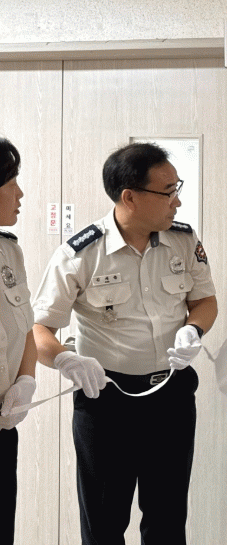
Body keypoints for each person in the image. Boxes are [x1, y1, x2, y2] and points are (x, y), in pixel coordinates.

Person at [32, 142, 217, 545]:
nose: (177, 201)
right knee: (104, 521)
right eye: (167, 191)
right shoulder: (80, 254)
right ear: (129, 197)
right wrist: (65, 360)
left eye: (177, 188)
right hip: (106, 401)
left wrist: (194, 330)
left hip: (170, 395)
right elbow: (40, 331)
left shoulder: (183, 240)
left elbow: (205, 301)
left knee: (168, 518)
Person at [0, 137, 38, 544]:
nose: (20, 193)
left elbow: (26, 326)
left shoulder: (9, 252)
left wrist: (26, 380)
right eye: (11, 183)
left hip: (2, 427)